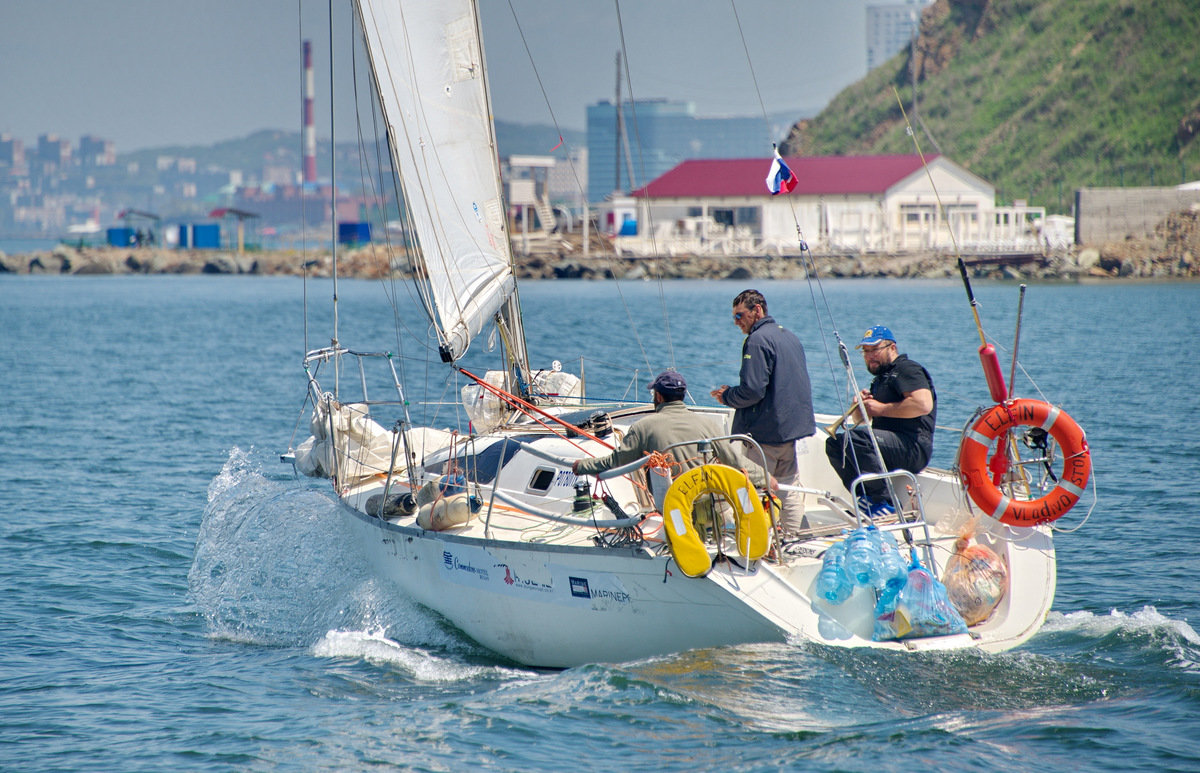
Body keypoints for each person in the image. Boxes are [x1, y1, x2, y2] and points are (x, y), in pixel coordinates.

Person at [709, 289, 816, 536]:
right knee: (788, 489)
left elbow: (753, 390)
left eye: (739, 316)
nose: (736, 323)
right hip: (790, 431)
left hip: (765, 434)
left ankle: (757, 541)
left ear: (757, 310)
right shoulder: (789, 336)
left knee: (753, 489)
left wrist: (726, 396)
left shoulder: (757, 340)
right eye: (734, 317)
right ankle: (790, 539)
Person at [573, 370, 768, 490]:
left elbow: (615, 462)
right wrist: (768, 479)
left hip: (673, 510)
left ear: (658, 396)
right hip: (709, 509)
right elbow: (736, 462)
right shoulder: (708, 425)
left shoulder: (643, 427)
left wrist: (582, 466)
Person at [825, 325, 937, 512]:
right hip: (889, 445)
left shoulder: (907, 369)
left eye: (875, 350)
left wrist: (881, 408)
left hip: (913, 446)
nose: (870, 356)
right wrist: (859, 407)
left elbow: (923, 404)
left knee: (857, 440)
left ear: (892, 348)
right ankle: (867, 499)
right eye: (866, 352)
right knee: (835, 444)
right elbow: (863, 420)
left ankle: (886, 502)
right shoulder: (880, 379)